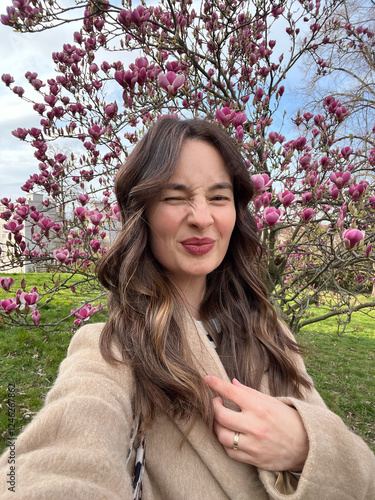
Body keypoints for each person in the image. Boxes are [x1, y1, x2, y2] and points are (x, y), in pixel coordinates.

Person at [0, 117, 374, 499]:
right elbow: (63, 456)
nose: (201, 217)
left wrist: (304, 447)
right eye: (175, 197)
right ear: (142, 211)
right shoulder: (112, 349)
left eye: (218, 197)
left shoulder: (270, 330)